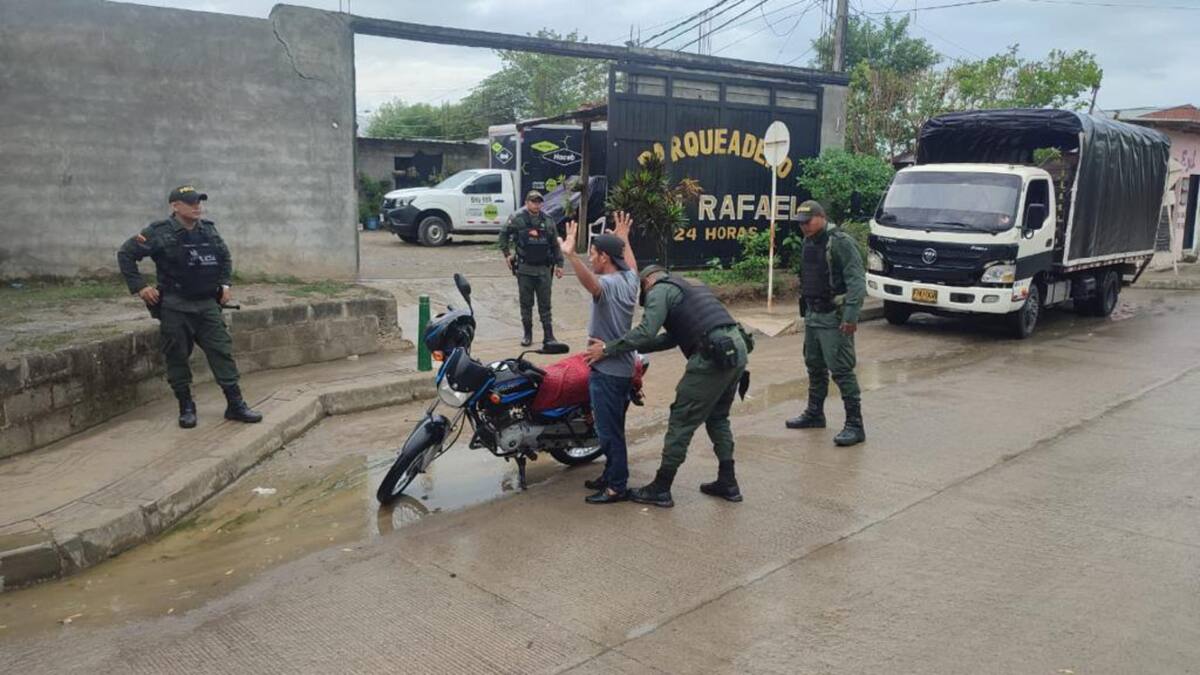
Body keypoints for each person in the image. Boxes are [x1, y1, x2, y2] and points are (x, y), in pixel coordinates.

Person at [585, 265, 752, 508]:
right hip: (736, 351)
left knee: (681, 421)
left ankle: (661, 488)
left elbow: (646, 331)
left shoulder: (659, 290)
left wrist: (608, 348)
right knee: (717, 418)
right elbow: (672, 338)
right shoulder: (689, 285)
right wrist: (629, 347)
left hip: (710, 357)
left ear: (647, 283)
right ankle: (728, 482)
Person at [117, 186, 263, 429]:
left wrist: (225, 284)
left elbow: (224, 258)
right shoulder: (158, 232)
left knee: (221, 351)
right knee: (176, 356)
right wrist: (141, 287)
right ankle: (186, 407)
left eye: (199, 202)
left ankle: (235, 405)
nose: (197, 207)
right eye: (191, 203)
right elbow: (126, 254)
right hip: (175, 306)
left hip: (207, 304)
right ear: (175, 206)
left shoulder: (208, 230)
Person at [558, 212, 640, 504]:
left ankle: (617, 486)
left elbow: (592, 285)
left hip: (608, 370)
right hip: (622, 367)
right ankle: (610, 474)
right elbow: (631, 264)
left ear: (605, 257)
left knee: (608, 432)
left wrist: (571, 257)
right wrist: (624, 239)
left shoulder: (609, 285)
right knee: (613, 427)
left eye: (592, 253)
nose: (590, 257)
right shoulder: (630, 280)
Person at [785, 200, 866, 446]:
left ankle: (855, 425)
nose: (804, 227)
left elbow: (856, 281)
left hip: (834, 318)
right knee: (814, 366)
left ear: (821, 217)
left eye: (807, 222)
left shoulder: (840, 242)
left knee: (841, 370)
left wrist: (851, 316)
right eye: (800, 223)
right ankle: (814, 414)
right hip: (813, 315)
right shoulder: (810, 241)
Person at [498, 190, 565, 347]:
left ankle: (549, 336)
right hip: (525, 269)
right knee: (526, 304)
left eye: (539, 201)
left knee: (545, 304)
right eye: (533, 201)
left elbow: (555, 245)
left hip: (544, 270)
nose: (536, 204)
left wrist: (560, 264)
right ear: (526, 203)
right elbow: (503, 235)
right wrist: (507, 254)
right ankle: (527, 334)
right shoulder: (517, 219)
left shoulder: (548, 220)